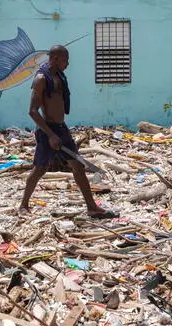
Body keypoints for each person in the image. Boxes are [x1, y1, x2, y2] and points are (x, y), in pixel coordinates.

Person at [19, 45, 116, 219]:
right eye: (65, 60)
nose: (68, 64)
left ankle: (92, 207)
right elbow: (33, 111)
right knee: (40, 169)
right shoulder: (41, 78)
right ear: (55, 59)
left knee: (78, 166)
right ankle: (23, 205)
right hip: (47, 130)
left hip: (61, 128)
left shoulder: (60, 76)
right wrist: (50, 135)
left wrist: (58, 132)